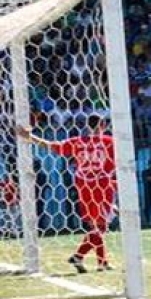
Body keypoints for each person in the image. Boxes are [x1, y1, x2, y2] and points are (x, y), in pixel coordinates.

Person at [17, 115, 117, 273]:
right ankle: (81, 256)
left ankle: (101, 262)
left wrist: (29, 136)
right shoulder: (109, 141)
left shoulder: (77, 142)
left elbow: (51, 146)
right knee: (100, 227)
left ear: (86, 125)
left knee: (96, 226)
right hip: (102, 186)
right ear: (103, 125)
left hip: (84, 187)